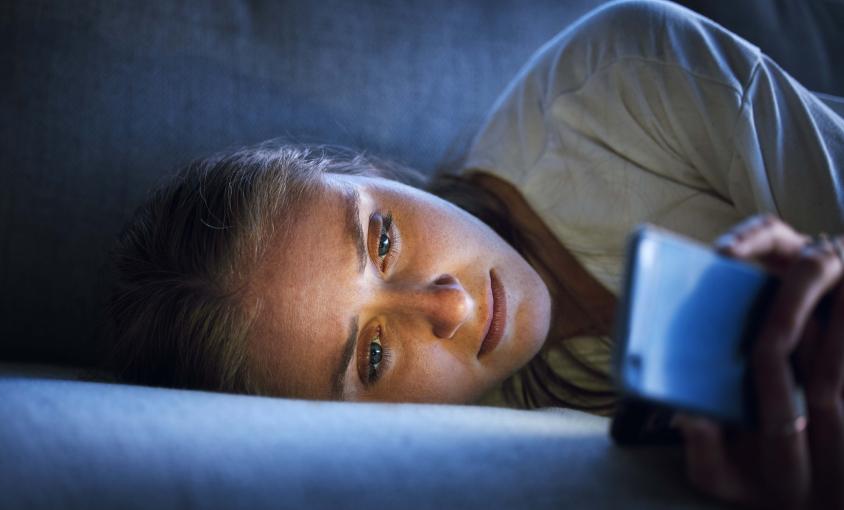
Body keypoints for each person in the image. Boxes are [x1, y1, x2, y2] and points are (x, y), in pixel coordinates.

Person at [104, 0, 843, 507]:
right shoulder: (489, 462)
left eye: (382, 237)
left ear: (376, 170)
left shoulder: (623, 79)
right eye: (371, 359)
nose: (450, 304)